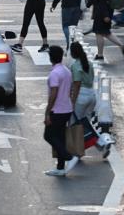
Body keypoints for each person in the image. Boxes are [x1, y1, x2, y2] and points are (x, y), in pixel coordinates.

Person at [43, 45, 78, 177]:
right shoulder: (66, 71)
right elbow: (70, 90)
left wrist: (47, 112)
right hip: (67, 108)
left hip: (57, 110)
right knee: (60, 137)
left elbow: (53, 93)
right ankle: (60, 167)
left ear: (51, 57)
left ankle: (68, 156)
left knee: (49, 136)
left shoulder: (54, 74)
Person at [69, 42, 95, 121]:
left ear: (73, 53)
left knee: (74, 123)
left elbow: (77, 84)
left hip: (81, 96)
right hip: (92, 95)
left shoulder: (75, 65)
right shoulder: (89, 64)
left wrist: (73, 102)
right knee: (87, 124)